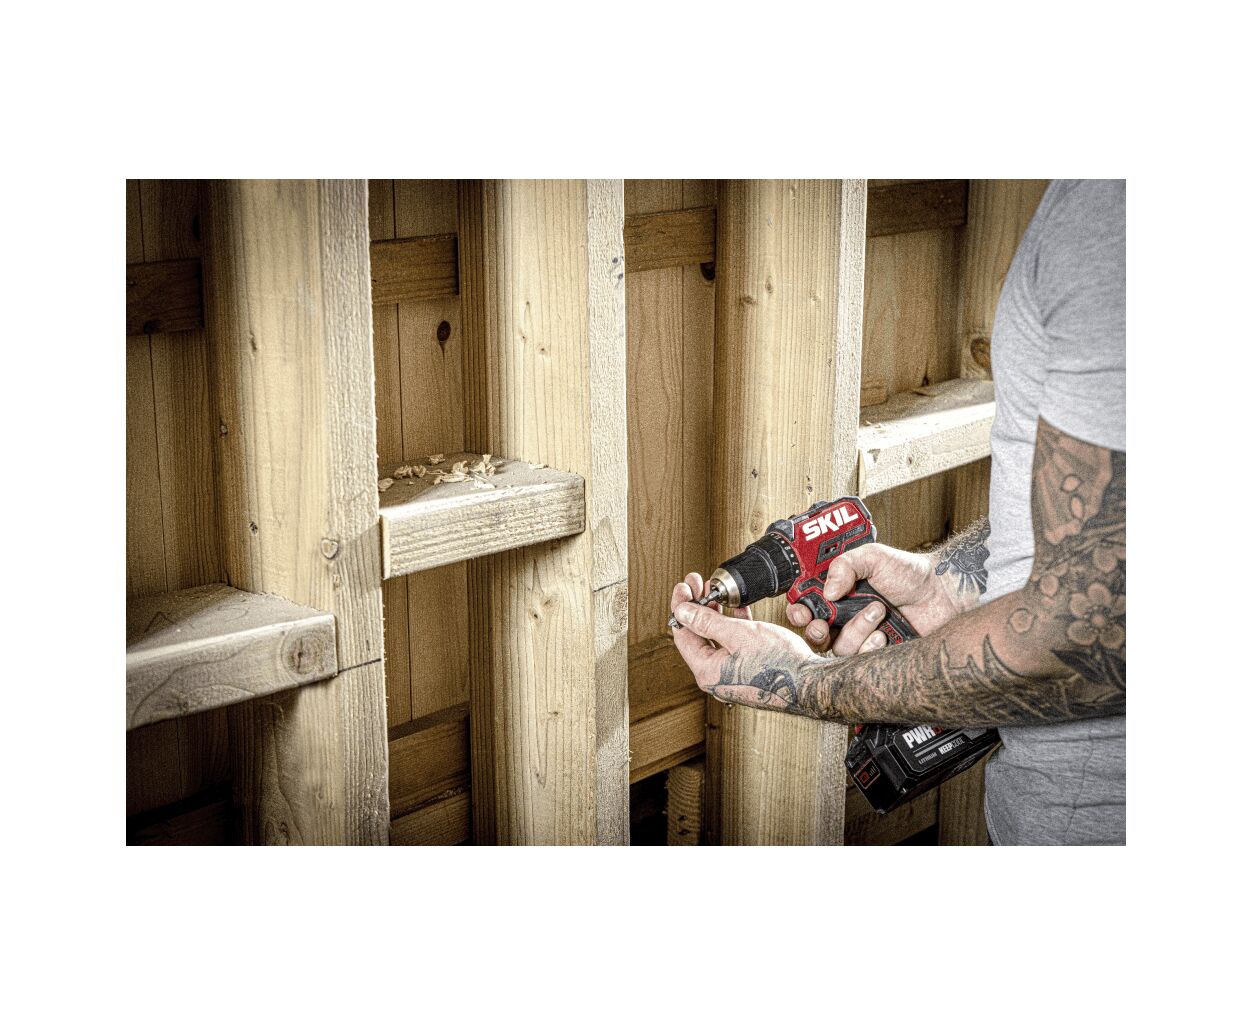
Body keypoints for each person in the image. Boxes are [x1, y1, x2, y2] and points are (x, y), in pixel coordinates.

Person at [669, 179, 1125, 845]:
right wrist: (953, 581)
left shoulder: (1111, 219)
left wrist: (804, 681)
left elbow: (1081, 641)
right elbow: (1104, 523)